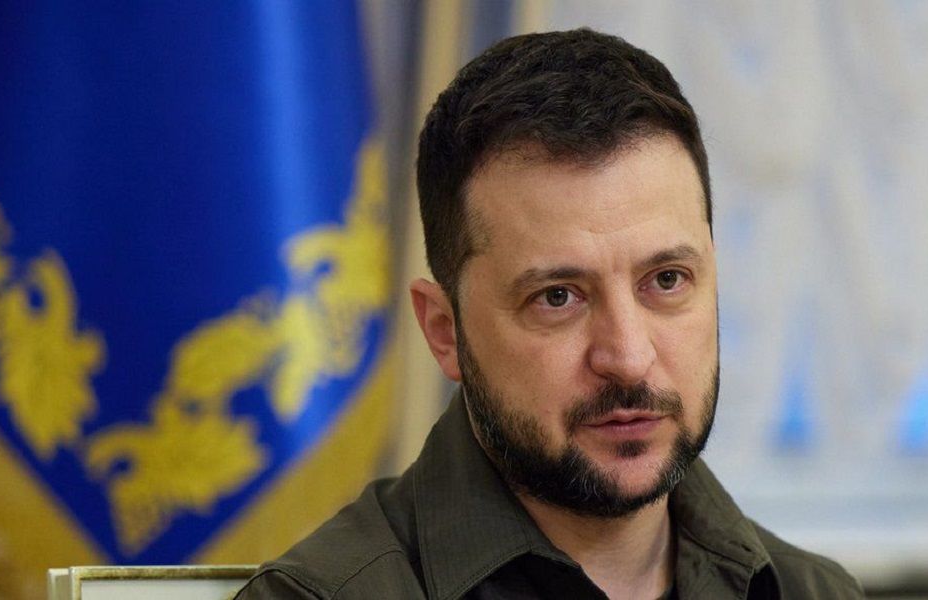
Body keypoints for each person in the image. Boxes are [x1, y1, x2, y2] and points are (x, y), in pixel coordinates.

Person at [236, 28, 863, 599]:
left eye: (666, 280)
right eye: (558, 296)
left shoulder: (814, 593)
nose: (628, 357)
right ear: (444, 332)